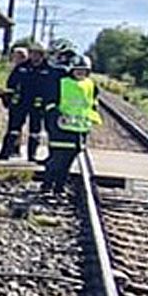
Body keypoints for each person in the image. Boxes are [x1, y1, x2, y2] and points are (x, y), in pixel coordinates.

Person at [42, 56, 98, 196]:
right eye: (77, 70)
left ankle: (59, 187)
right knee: (56, 160)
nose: (80, 73)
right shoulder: (61, 83)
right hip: (61, 129)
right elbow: (50, 103)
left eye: (84, 71)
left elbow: (92, 103)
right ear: (71, 70)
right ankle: (47, 185)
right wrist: (55, 117)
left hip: (80, 129)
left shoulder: (90, 85)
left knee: (68, 162)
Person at [0, 46, 37, 160]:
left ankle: (30, 155)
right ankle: (7, 152)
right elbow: (11, 85)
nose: (17, 59)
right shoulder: (18, 69)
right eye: (15, 56)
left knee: (33, 130)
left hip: (33, 104)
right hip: (18, 104)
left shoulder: (35, 68)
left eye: (20, 56)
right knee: (13, 129)